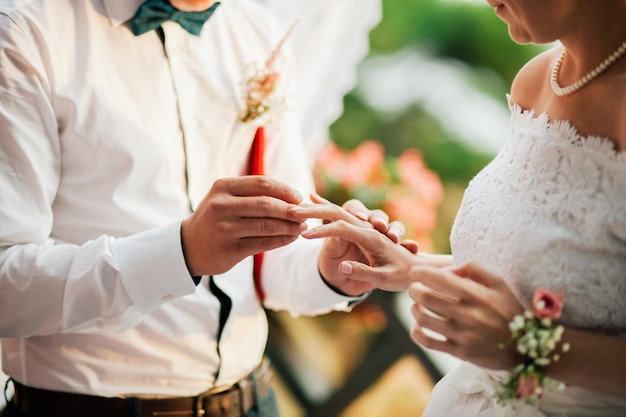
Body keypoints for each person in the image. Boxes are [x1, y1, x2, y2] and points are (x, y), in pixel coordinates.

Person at [0, 1, 408, 416]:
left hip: (252, 400)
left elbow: (274, 259)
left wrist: (333, 270)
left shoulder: (257, 34)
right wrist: (180, 252)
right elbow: (6, 288)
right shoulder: (26, 30)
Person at [291, 0, 626, 415]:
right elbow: (545, 276)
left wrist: (528, 346)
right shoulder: (539, 81)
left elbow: (527, 323)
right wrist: (411, 267)